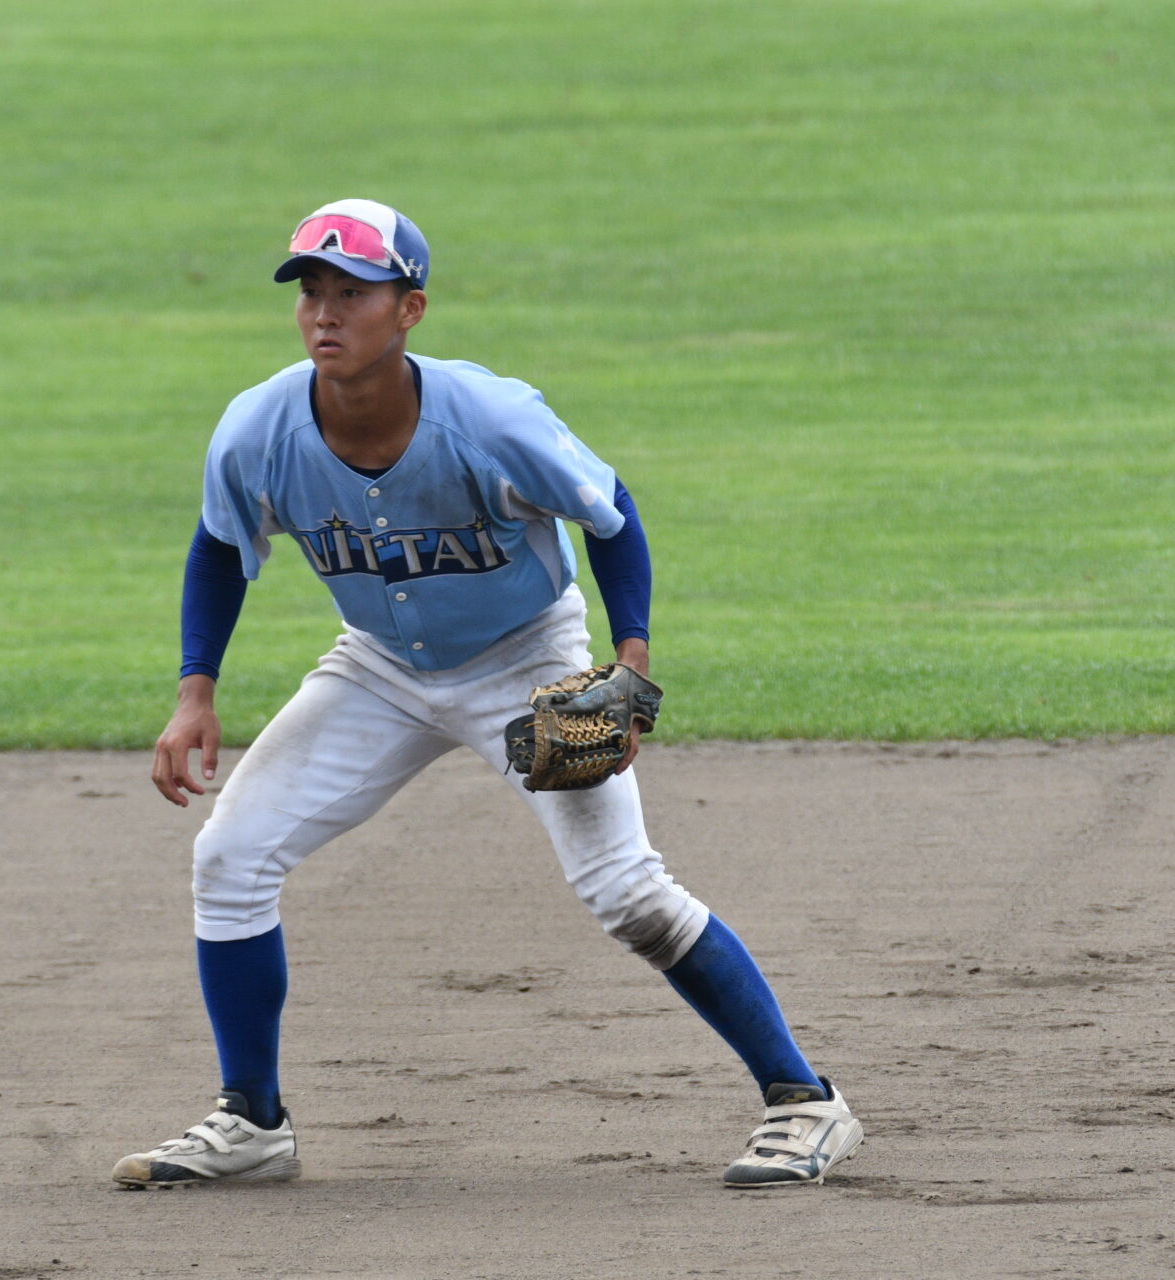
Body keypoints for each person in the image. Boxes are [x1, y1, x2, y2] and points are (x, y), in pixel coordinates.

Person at [111, 199, 863, 1189]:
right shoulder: (259, 429)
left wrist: (628, 664)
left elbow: (610, 511)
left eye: (354, 293)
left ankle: (806, 1101)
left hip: (526, 662)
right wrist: (194, 689)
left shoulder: (491, 419)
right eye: (312, 292)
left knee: (626, 890)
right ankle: (252, 1121)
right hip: (378, 668)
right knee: (231, 857)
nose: (325, 313)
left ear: (410, 309)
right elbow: (218, 544)